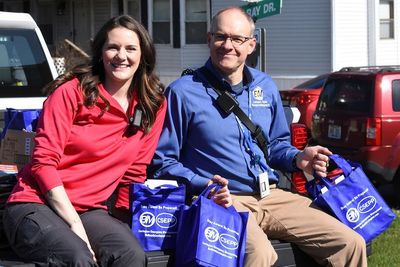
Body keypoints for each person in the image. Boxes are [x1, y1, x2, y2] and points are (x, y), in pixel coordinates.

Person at [149, 6, 368, 267]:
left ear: (251, 45)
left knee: (350, 242)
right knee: (259, 254)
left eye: (237, 39)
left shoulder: (265, 86)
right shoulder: (182, 92)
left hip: (271, 195)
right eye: (220, 36)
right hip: (222, 200)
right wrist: (205, 185)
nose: (227, 45)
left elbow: (276, 146)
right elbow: (164, 162)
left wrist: (299, 158)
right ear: (208, 39)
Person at [3, 15, 167, 267]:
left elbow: (134, 171)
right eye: (113, 47)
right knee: (78, 258)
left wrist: (121, 225)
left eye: (130, 48)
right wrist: (74, 224)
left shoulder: (152, 104)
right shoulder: (71, 93)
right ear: (100, 52)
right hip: (36, 204)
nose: (121, 56)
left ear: (143, 54)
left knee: (130, 254)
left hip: (90, 209)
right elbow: (43, 163)